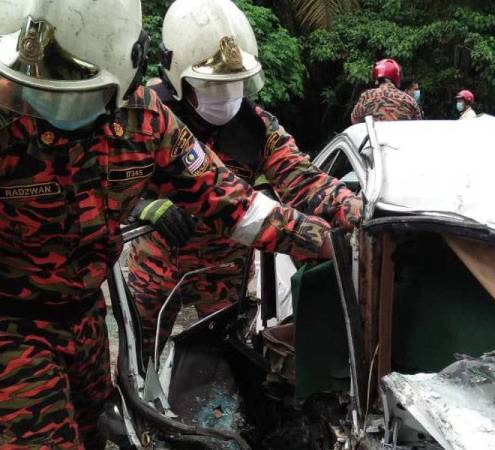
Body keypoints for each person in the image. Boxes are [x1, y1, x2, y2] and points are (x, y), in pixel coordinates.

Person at [0, 1, 333, 448]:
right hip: (13, 328)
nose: (51, 102)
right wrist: (144, 210)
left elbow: (233, 204)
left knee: (96, 430)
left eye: (79, 89)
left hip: (86, 322)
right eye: (42, 86)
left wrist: (333, 243)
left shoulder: (147, 122)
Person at [128, 0, 363, 359]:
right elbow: (104, 183)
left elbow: (305, 181)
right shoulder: (150, 119)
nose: (225, 98)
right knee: (139, 355)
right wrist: (142, 206)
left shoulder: (257, 128)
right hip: (159, 263)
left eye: (234, 84)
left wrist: (357, 210)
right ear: (178, 76)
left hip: (223, 269)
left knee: (223, 362)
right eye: (211, 87)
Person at [351, 58, 422, 124]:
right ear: (397, 76)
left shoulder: (367, 96)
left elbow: (355, 120)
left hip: (375, 137)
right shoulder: (409, 100)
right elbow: (418, 125)